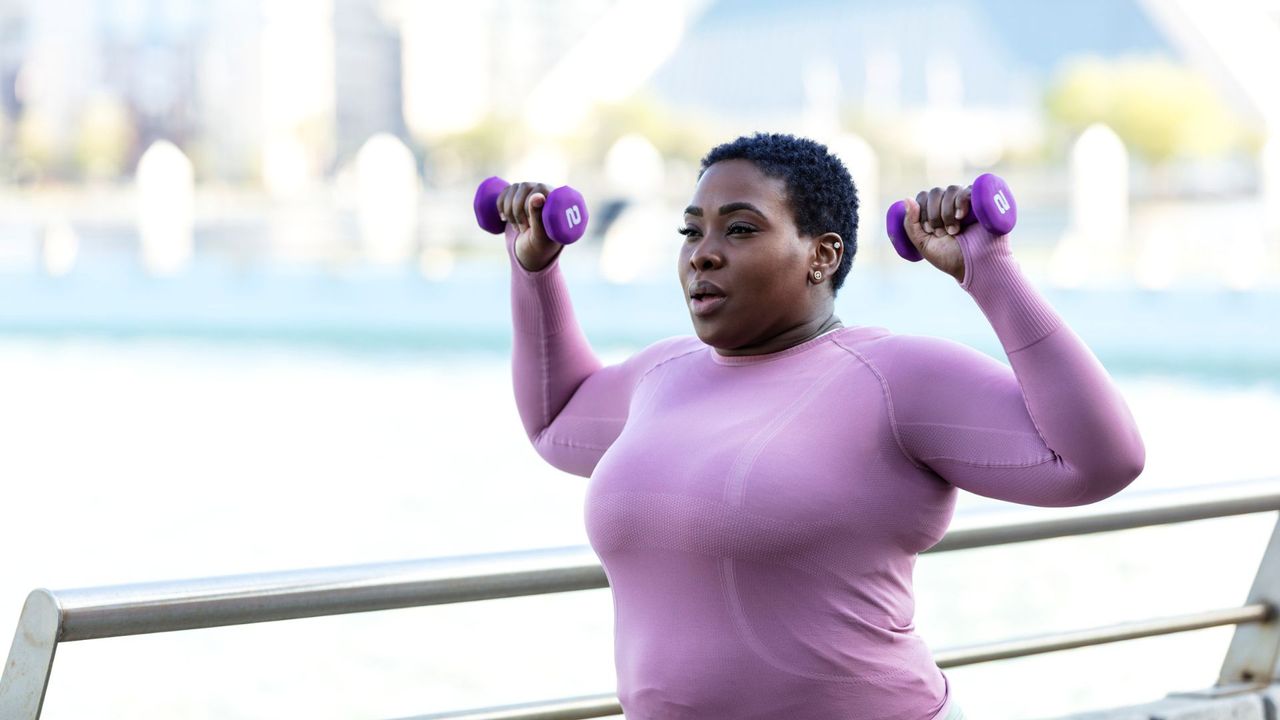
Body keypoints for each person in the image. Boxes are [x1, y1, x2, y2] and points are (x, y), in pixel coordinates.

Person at [493, 133, 1145, 720]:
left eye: (741, 230)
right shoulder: (661, 374)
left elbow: (1101, 460)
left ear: (822, 254)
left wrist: (989, 270)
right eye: (692, 233)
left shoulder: (893, 375)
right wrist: (535, 268)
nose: (704, 256)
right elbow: (557, 421)